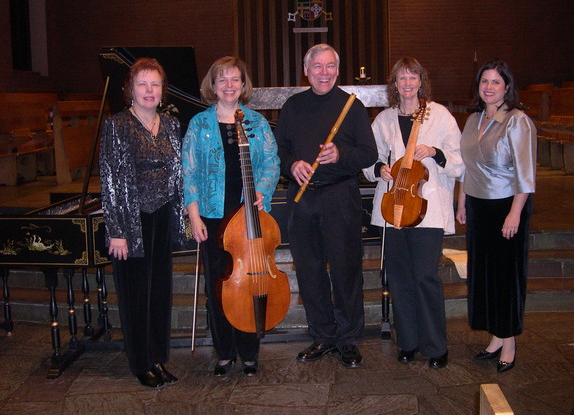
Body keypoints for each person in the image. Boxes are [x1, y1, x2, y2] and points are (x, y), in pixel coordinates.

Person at [275, 44, 377, 368]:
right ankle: (322, 335)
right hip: (302, 200)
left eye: (330, 66)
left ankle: (348, 339)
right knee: (309, 271)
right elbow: (279, 151)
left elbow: (369, 154)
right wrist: (291, 165)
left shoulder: (352, 107)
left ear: (337, 69)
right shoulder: (292, 107)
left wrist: (341, 155)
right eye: (317, 66)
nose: (324, 72)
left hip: (339, 198)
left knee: (347, 271)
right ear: (306, 71)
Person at [363, 57, 464, 369]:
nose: (407, 83)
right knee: (399, 279)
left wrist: (436, 153)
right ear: (394, 84)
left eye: (413, 78)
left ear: (422, 82)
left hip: (427, 211)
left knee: (424, 277)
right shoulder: (384, 119)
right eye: (401, 78)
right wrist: (380, 169)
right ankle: (407, 342)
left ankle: (435, 346)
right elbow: (370, 160)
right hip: (393, 208)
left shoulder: (440, 116)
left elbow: (460, 162)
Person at [182, 56, 280, 377]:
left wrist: (263, 188)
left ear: (243, 84)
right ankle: (224, 353)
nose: (228, 85)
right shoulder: (199, 124)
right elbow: (189, 172)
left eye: (235, 79)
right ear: (213, 84)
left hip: (247, 218)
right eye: (222, 79)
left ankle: (249, 352)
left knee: (250, 286)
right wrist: (194, 217)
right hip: (212, 219)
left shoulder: (256, 122)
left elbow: (271, 161)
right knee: (217, 287)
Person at [99, 57, 186, 389]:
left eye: (155, 84)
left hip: (163, 217)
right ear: (130, 90)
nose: (149, 90)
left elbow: (178, 175)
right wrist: (117, 231)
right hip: (132, 222)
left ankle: (158, 357)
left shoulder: (171, 125)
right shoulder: (117, 125)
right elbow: (109, 181)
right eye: (142, 84)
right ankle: (141, 362)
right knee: (136, 295)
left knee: (160, 291)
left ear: (163, 91)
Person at [455, 59, 536, 373]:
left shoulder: (517, 121)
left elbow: (525, 174)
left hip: (506, 206)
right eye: (484, 81)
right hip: (477, 206)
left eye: (495, 82)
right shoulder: (474, 119)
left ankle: (510, 340)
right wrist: (461, 202)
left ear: (507, 87)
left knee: (506, 277)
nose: (488, 87)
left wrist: (515, 213)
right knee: (484, 276)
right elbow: (466, 166)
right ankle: (495, 337)